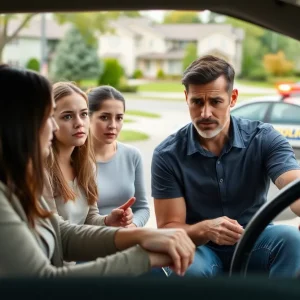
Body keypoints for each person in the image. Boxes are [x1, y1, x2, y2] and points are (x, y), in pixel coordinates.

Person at [0, 65, 195, 277]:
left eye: (83, 114)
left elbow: (62, 233)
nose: (54, 128)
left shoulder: (19, 182)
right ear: (18, 124)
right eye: (48, 117)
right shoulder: (17, 187)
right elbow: (44, 280)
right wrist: (144, 257)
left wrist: (141, 236)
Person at [151, 55, 300, 278]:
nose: (205, 113)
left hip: (257, 239)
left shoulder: (263, 138)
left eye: (215, 102)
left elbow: (294, 186)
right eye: (197, 102)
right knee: (186, 268)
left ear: (232, 98)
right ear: (186, 98)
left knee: (293, 241)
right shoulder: (167, 154)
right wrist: (205, 229)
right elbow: (168, 229)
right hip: (201, 247)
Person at [44, 82, 134, 227]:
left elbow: (89, 218)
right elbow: (56, 231)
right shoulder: (42, 170)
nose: (79, 123)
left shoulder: (86, 165)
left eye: (84, 114)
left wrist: (107, 221)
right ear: (49, 121)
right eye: (67, 116)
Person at [88, 86, 149, 227]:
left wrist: (132, 225)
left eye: (119, 118)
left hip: (126, 237)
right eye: (104, 117)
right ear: (88, 117)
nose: (113, 125)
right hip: (91, 240)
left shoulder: (132, 155)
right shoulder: (74, 158)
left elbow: (142, 208)